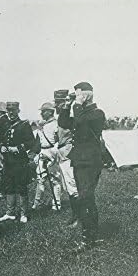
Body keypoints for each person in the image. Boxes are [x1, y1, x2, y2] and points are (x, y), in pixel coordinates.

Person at [58, 82, 106, 251]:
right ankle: (91, 235)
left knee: (85, 197)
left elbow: (83, 127)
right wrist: (66, 106)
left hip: (90, 161)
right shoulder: (82, 113)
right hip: (80, 161)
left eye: (78, 94)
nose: (76, 98)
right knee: (87, 198)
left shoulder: (97, 114)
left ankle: (88, 239)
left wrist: (77, 105)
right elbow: (64, 122)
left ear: (86, 95)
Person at [0, 101, 35, 224]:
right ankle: (10, 213)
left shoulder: (24, 125)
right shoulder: (5, 124)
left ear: (18, 111)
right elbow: (0, 139)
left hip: (20, 161)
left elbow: (30, 142)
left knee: (21, 186)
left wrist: (17, 148)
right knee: (9, 186)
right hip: (8, 161)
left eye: (13, 111)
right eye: (9, 111)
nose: (11, 113)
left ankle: (24, 214)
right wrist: (1, 146)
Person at [54, 90, 79, 227]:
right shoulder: (62, 116)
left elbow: (65, 122)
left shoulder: (69, 115)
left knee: (72, 185)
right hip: (62, 151)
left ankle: (78, 217)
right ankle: (75, 215)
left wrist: (67, 106)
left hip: (68, 151)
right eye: (57, 103)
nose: (57, 106)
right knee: (67, 186)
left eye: (60, 103)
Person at [32, 102, 62, 211]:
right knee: (40, 179)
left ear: (50, 112)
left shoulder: (56, 125)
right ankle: (37, 203)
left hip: (52, 153)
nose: (41, 114)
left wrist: (51, 156)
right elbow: (39, 142)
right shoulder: (42, 125)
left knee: (55, 179)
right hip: (42, 152)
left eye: (43, 111)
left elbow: (59, 142)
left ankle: (57, 204)